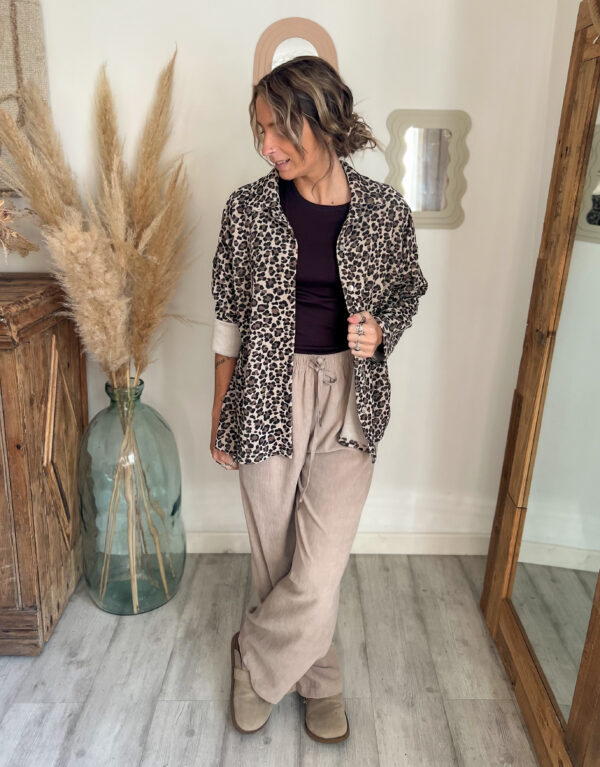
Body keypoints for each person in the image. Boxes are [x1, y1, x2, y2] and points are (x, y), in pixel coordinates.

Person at [209, 55, 428, 743]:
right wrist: (220, 413)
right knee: (276, 558)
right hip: (264, 389)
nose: (267, 147)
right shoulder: (246, 209)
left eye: (280, 130)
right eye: (260, 132)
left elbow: (408, 286)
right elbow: (228, 321)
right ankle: (321, 678)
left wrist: (381, 328)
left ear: (324, 120)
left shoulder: (384, 210)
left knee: (320, 564)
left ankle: (253, 658)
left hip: (349, 396)